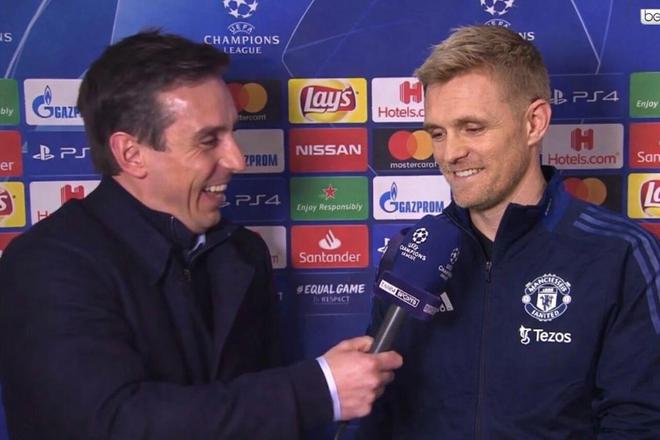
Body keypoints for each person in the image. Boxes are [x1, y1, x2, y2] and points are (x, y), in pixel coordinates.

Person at [0, 30, 402, 439]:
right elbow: (108, 424)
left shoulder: (243, 253)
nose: (237, 159)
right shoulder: (46, 265)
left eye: (232, 134)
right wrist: (317, 389)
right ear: (131, 154)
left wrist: (319, 386)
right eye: (209, 140)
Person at [358, 25, 660, 438]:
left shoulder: (620, 255)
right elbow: (377, 410)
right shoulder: (412, 254)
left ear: (534, 122)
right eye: (437, 133)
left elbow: (640, 422)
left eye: (473, 128)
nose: (450, 153)